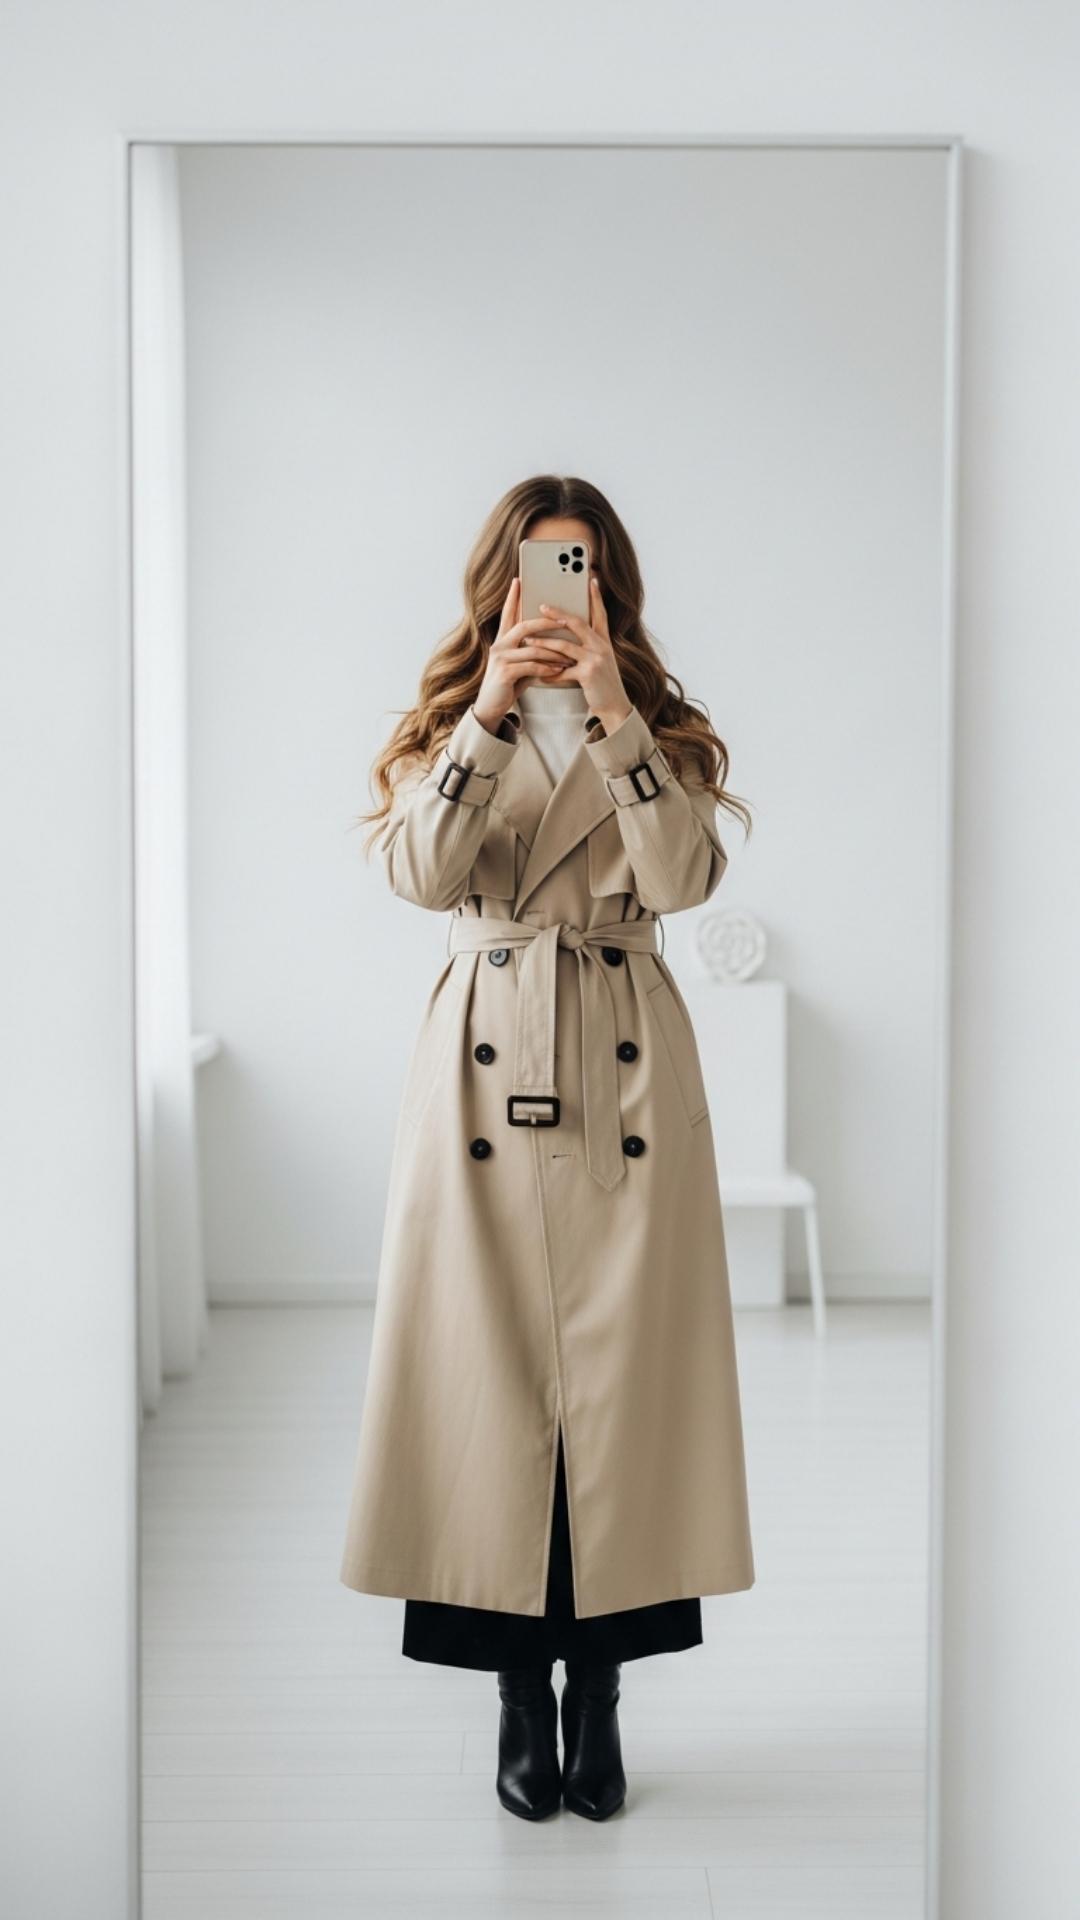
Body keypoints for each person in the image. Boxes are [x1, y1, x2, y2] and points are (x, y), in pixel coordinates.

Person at [340, 474, 756, 1822]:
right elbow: (413, 877)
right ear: (500, 582)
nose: (555, 594)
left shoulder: (666, 730)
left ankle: (605, 1699)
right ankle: (521, 1697)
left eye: (575, 569)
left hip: (624, 1075)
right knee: (490, 1394)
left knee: (624, 1402)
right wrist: (488, 712)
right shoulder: (452, 724)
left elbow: (684, 881)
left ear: (607, 580)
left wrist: (618, 711)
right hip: (481, 1074)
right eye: (536, 569)